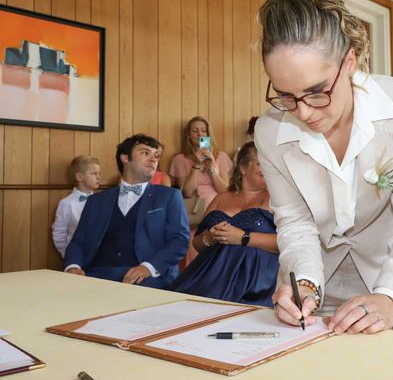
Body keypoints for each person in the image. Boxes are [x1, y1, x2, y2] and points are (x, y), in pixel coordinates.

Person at [255, 0, 393, 335]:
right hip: (315, 282)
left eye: (317, 92)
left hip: (391, 276)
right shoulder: (269, 131)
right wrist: (305, 285)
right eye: (285, 96)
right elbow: (295, 222)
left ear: (350, 61)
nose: (304, 112)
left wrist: (390, 297)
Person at [64, 134, 190, 289]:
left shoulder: (169, 196)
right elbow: (79, 241)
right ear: (125, 158)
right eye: (145, 153)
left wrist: (147, 268)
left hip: (150, 279)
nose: (153, 159)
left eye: (156, 156)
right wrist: (73, 267)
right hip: (97, 275)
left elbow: (179, 240)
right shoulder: (96, 201)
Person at [171, 142, 278, 307]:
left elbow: (288, 243)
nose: (268, 168)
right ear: (243, 167)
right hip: (207, 274)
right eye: (261, 163)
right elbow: (197, 243)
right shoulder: (221, 198)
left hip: (251, 280)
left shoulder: (276, 199)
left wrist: (243, 237)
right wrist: (209, 237)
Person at [169, 116, 233, 264]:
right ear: (188, 135)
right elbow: (187, 192)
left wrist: (211, 168)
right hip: (195, 214)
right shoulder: (180, 159)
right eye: (195, 131)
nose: (200, 135)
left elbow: (224, 190)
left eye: (204, 131)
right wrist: (196, 165)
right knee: (196, 255)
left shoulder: (221, 157)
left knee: (220, 254)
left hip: (219, 210)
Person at [51, 155, 101, 257]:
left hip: (100, 257)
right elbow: (59, 234)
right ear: (79, 177)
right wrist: (70, 256)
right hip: (77, 256)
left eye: (99, 173)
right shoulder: (66, 203)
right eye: (94, 173)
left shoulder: (102, 202)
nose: (99, 177)